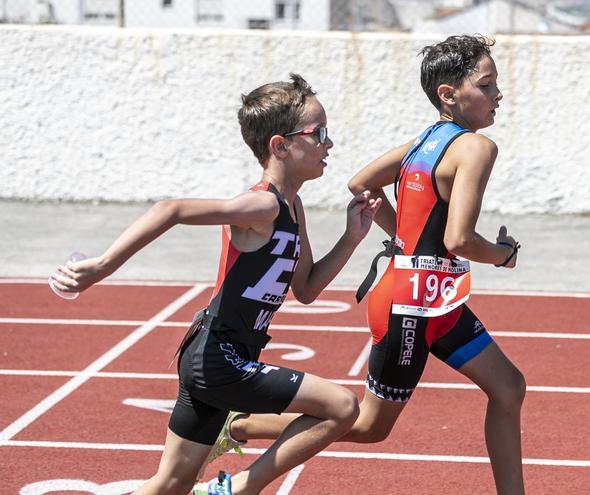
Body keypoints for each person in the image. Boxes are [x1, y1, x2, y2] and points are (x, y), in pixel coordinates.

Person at [210, 35, 527, 494]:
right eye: (488, 84)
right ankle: (238, 427)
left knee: (509, 388)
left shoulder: (426, 140)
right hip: (410, 308)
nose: (499, 94)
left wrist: (406, 241)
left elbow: (360, 183)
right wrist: (504, 254)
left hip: (435, 301)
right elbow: (460, 238)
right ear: (448, 94)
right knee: (369, 426)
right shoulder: (477, 148)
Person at [49, 73, 380, 495]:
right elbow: (171, 209)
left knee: (171, 484)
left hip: (213, 354)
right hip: (219, 359)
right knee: (342, 407)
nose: (329, 144)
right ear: (280, 145)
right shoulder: (263, 204)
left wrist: (352, 237)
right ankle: (243, 487)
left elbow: (308, 288)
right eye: (319, 134)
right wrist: (102, 267)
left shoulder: (292, 206)